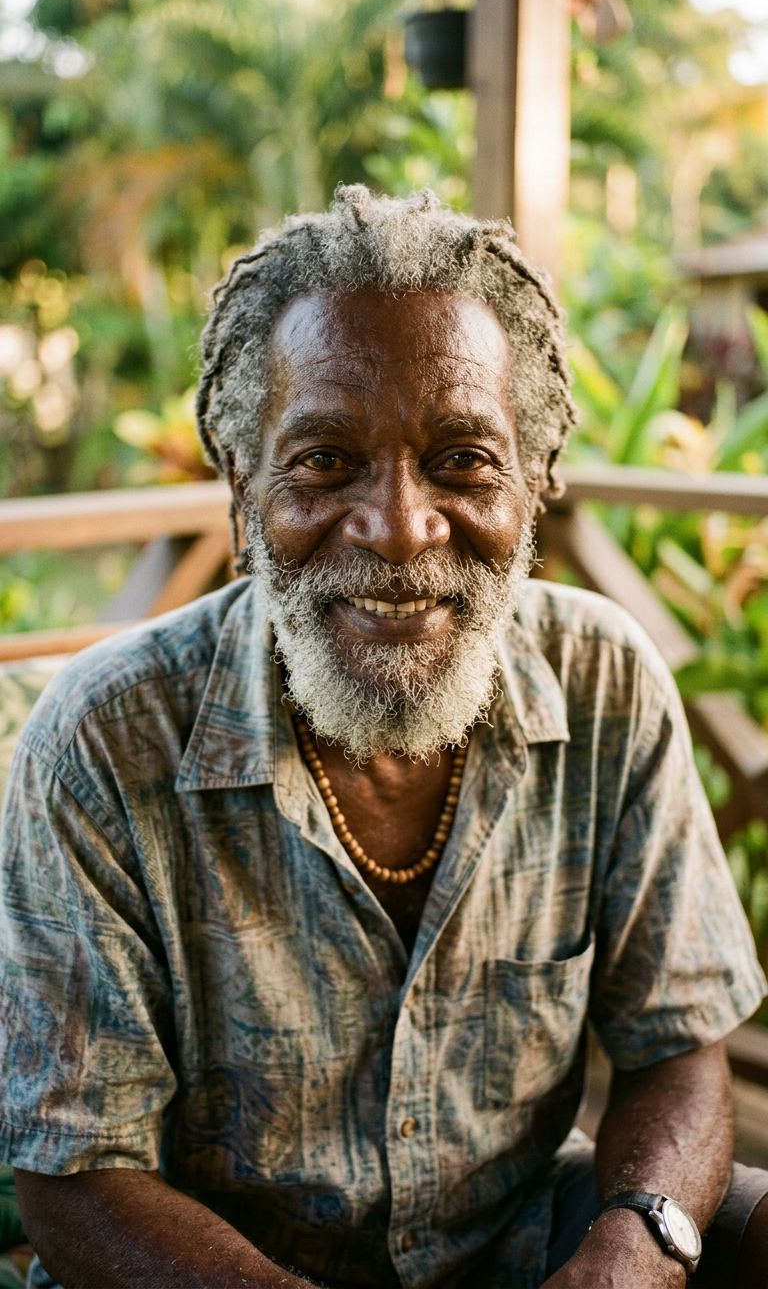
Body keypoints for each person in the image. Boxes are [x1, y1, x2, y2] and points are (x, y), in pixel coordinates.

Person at [0, 186, 766, 1289]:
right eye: (323, 460)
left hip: (515, 1242)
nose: (402, 527)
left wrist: (632, 1248)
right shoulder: (104, 739)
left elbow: (678, 1045)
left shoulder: (606, 681)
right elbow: (74, 1173)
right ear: (241, 483)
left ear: (534, 481)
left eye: (462, 458)